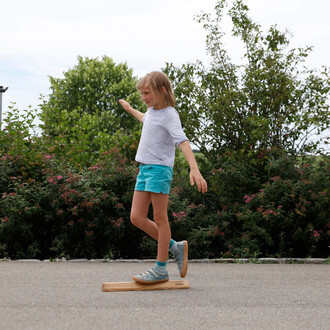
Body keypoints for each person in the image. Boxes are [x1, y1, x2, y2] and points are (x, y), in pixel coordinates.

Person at [118, 71, 207, 284]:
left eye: (147, 93)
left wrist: (193, 168)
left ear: (162, 90)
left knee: (160, 218)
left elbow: (182, 141)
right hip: (145, 170)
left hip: (159, 170)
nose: (144, 97)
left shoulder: (169, 114)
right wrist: (131, 109)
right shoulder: (151, 112)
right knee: (136, 218)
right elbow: (145, 119)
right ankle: (175, 247)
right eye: (142, 94)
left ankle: (160, 269)